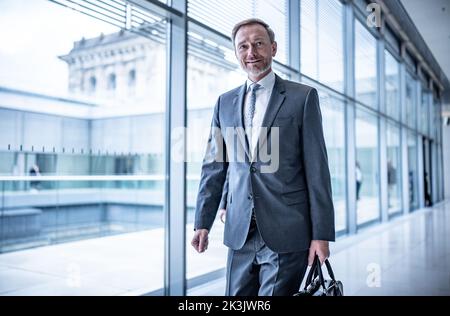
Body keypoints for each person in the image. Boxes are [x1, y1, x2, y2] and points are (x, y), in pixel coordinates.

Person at [191, 19, 335, 296]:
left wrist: (321, 235)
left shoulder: (302, 97)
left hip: (287, 230)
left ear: (273, 48)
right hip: (239, 230)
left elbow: (317, 170)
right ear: (236, 53)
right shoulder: (225, 102)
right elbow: (214, 166)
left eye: (258, 43)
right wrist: (202, 222)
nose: (251, 52)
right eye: (243, 46)